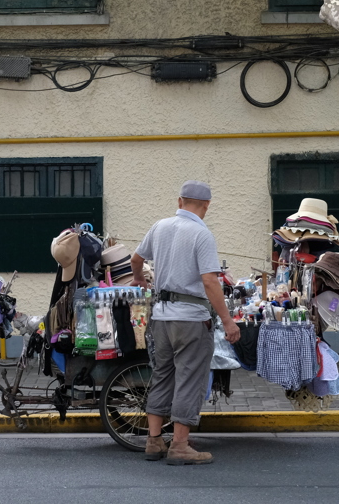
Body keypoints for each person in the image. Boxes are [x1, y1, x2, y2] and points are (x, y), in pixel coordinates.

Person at [130, 180, 240, 466]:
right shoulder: (201, 234)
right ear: (206, 206)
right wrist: (228, 321)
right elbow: (209, 280)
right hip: (191, 319)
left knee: (163, 375)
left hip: (162, 318)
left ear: (180, 201)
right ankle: (179, 445)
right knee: (189, 379)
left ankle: (154, 441)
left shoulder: (160, 226)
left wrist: (140, 278)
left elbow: (136, 258)